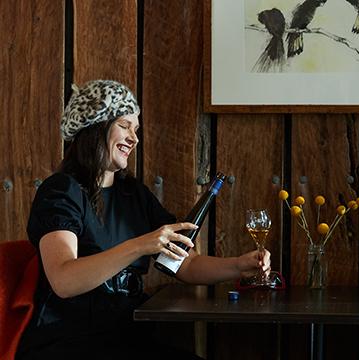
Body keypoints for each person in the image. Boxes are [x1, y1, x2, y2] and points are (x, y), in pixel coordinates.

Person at [16, 80, 270, 359]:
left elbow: (183, 263)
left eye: (136, 130)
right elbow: (64, 279)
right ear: (95, 126)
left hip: (125, 336)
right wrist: (140, 245)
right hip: (69, 341)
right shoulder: (62, 190)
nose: (134, 138)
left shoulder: (133, 194)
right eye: (125, 125)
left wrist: (239, 266)